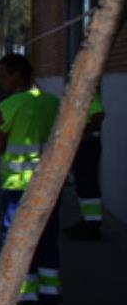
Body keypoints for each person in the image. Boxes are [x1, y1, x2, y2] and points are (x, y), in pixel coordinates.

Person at [0, 53, 62, 305]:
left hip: (18, 186)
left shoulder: (9, 105)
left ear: (17, 75)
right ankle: (50, 299)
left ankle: (22, 302)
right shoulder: (53, 103)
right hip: (49, 185)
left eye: (3, 75)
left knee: (17, 243)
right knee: (47, 241)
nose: (0, 81)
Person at [64, 86, 104, 241]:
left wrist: (85, 134)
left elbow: (98, 114)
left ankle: (92, 226)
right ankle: (86, 220)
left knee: (88, 185)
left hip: (87, 145)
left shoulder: (88, 93)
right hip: (82, 144)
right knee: (82, 184)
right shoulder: (79, 93)